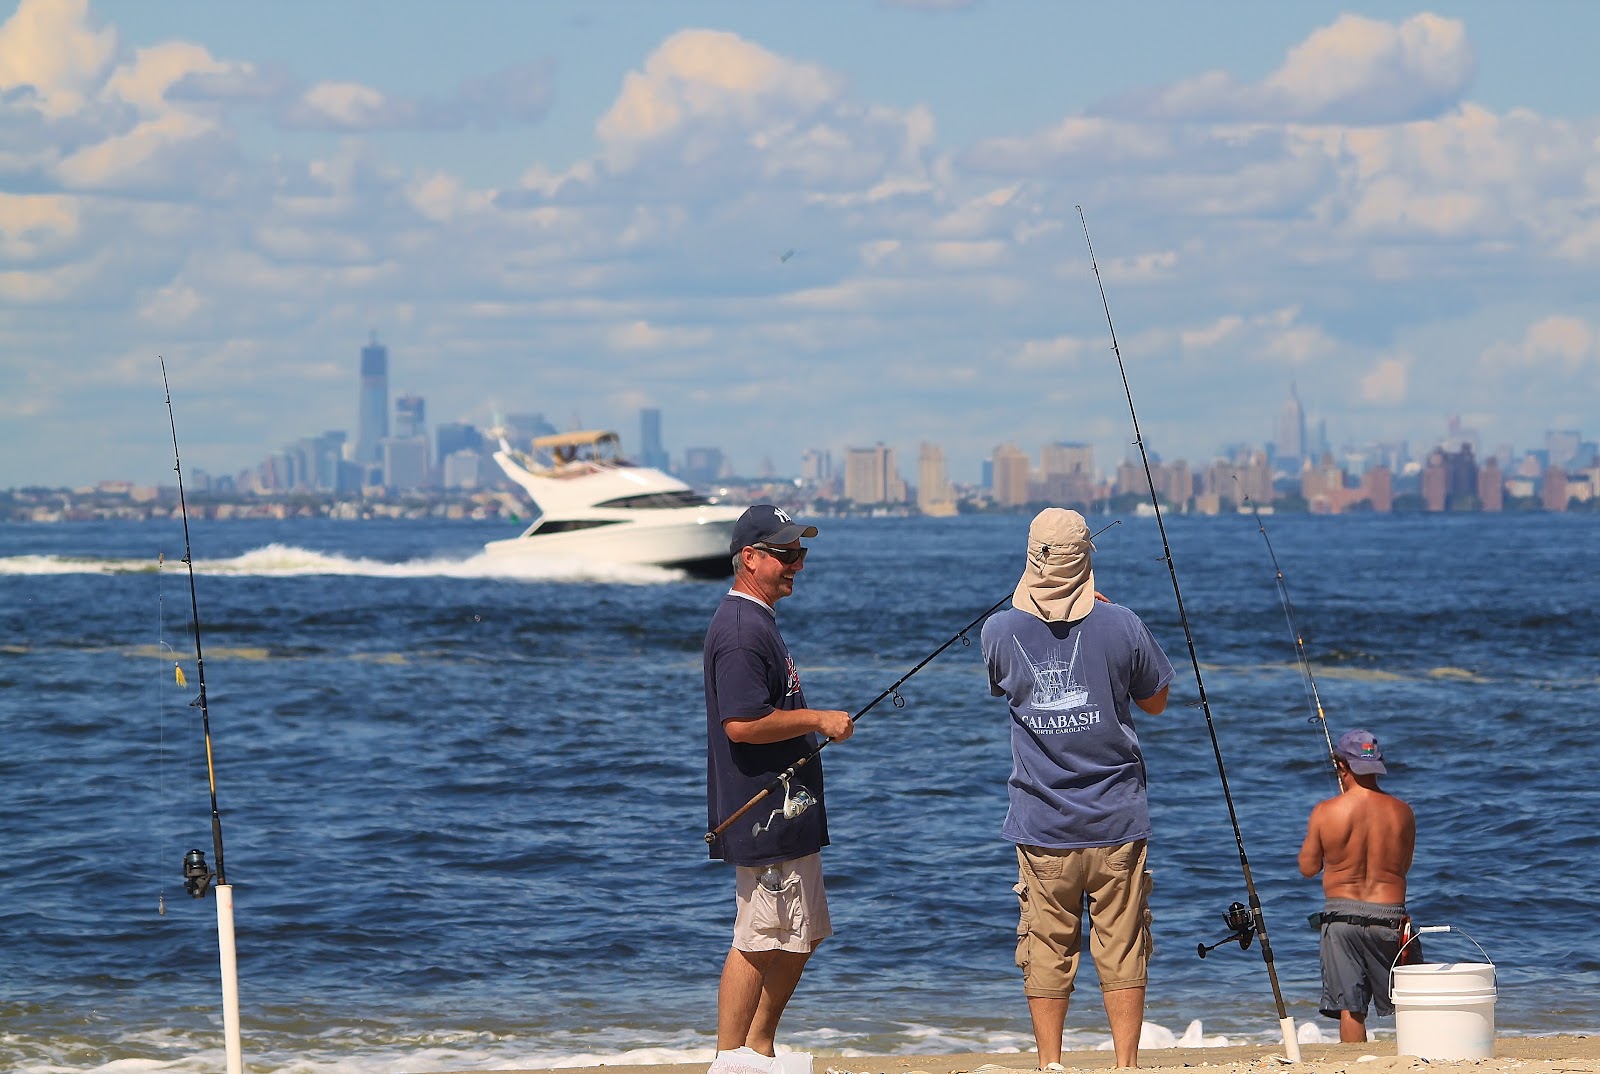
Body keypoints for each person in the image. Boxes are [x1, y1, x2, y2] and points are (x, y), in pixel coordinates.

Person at [979, 508, 1174, 1070]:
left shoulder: (997, 632)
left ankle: (1050, 1063)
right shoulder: (1123, 624)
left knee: (1046, 947)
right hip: (1117, 820)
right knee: (1124, 946)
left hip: (1042, 825)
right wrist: (1113, 627)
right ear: (1086, 558)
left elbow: (1003, 686)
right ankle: (1126, 1064)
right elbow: (1156, 699)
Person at [703, 504, 853, 1065]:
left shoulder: (758, 621)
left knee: (803, 933)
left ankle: (757, 1047)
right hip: (762, 811)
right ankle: (728, 1058)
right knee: (759, 937)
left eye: (800, 553)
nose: (797, 564)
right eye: (785, 555)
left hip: (789, 811)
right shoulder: (741, 630)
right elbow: (741, 724)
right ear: (750, 559)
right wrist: (818, 720)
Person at [1299, 728, 1417, 1043]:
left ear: (1341, 765)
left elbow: (1308, 868)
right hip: (1389, 916)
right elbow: (1402, 867)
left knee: (1351, 1008)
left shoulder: (1325, 812)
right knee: (1411, 1000)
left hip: (1340, 920)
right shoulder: (1403, 812)